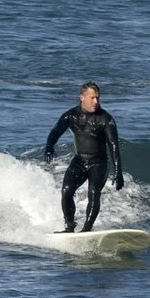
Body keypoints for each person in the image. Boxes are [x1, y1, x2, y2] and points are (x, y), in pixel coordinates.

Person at [44, 82, 124, 232]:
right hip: (79, 160)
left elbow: (114, 146)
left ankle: (86, 229)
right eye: (92, 98)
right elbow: (55, 131)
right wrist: (49, 147)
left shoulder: (105, 119)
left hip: (99, 162)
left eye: (98, 98)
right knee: (66, 190)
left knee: (94, 192)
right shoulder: (71, 116)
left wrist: (118, 171)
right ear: (82, 97)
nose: (96, 102)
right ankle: (69, 227)